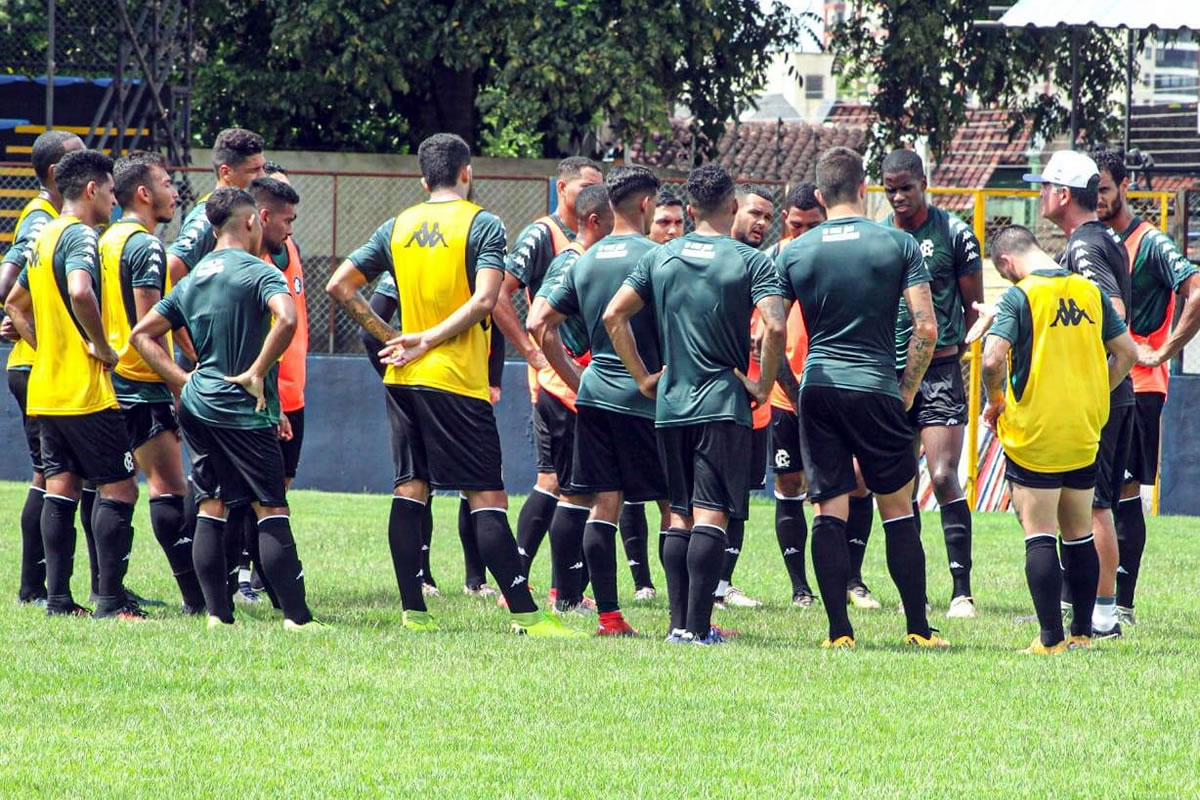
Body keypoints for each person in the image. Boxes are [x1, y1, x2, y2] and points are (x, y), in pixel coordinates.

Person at [326, 132, 576, 636]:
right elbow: (487, 300)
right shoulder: (482, 223)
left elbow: (339, 286)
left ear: (424, 179)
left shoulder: (398, 225)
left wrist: (391, 336)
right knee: (487, 496)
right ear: (467, 172)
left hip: (403, 380)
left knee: (410, 489)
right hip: (455, 381)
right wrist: (425, 340)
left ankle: (413, 611)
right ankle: (527, 615)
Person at [604, 164, 787, 645]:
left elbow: (612, 315)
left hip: (670, 404)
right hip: (722, 404)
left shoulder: (659, 259)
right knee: (711, 514)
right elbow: (776, 325)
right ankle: (699, 628)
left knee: (679, 513)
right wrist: (762, 385)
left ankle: (677, 627)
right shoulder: (751, 261)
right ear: (731, 207)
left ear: (688, 211)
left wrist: (644, 377)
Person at [776, 146, 947, 649]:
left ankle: (838, 632)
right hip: (875, 387)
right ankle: (917, 629)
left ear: (821, 195)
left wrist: (793, 388)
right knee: (897, 508)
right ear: (864, 188)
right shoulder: (897, 244)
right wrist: (905, 391)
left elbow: (766, 331)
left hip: (819, 388)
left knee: (828, 509)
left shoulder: (794, 251)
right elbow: (926, 328)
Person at [130, 187, 319, 630]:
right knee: (271, 507)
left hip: (197, 407)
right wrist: (257, 371)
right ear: (251, 222)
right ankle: (298, 619)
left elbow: (141, 334)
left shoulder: (192, 278)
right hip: (242, 410)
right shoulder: (258, 271)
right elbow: (288, 319)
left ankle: (218, 615)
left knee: (212, 505)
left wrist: (183, 380)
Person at [979, 225, 1136, 653]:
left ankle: (1050, 639)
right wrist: (1097, 390)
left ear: (1007, 263)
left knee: (1040, 533)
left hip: (1036, 431)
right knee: (1079, 532)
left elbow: (992, 358)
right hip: (1084, 429)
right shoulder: (1090, 292)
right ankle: (1082, 634)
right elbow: (1128, 353)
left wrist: (995, 401)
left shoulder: (1021, 295)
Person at [4, 149, 143, 620]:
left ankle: (59, 601)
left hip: (45, 389)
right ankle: (110, 603)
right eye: (109, 191)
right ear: (92, 189)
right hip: (84, 393)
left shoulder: (43, 238)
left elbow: (15, 304)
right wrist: (100, 346)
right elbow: (82, 290)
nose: (112, 200)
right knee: (121, 488)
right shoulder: (81, 235)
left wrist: (48, 347)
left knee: (60, 487)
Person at [530, 169, 670, 636]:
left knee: (601, 504)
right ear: (646, 205)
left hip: (594, 400)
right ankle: (686, 621)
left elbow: (538, 322)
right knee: (677, 507)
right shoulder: (660, 257)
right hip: (648, 402)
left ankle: (609, 617)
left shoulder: (583, 260)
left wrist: (576, 378)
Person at [1025, 150, 1132, 639]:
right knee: (1088, 507)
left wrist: (1093, 390)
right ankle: (1081, 608)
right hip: (1109, 391)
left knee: (1095, 507)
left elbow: (1109, 312)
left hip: (1105, 392)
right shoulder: (1101, 236)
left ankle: (1102, 616)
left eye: (1044, 187)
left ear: (1063, 194)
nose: (1040, 195)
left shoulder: (1086, 247)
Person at [1095, 150, 1200, 627]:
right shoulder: (1092, 241)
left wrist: (1164, 351)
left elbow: (1194, 289)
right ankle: (1080, 598)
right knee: (1087, 492)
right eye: (1091, 190)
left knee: (1125, 492)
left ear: (1123, 187)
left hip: (1139, 387)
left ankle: (1123, 604)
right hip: (1096, 383)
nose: (1097, 198)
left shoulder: (1151, 243)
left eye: (1104, 189)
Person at [97, 151, 205, 613]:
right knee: (167, 487)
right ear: (143, 193)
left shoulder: (105, 240)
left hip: (107, 381)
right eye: (165, 183)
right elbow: (146, 329)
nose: (174, 191)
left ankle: (110, 595)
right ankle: (192, 598)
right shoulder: (145, 246)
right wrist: (182, 383)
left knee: (113, 487)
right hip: (140, 385)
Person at [492, 157, 603, 586]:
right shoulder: (544, 234)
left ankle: (561, 586)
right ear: (561, 188)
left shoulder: (593, 238)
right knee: (554, 480)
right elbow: (501, 294)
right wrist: (533, 353)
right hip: (558, 383)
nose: (594, 196)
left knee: (574, 485)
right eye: (585, 188)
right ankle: (517, 581)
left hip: (583, 381)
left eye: (599, 188)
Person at [883, 149, 983, 619]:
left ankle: (961, 590)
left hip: (941, 370)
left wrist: (950, 352)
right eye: (890, 188)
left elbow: (974, 309)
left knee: (943, 476)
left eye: (906, 186)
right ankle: (915, 592)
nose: (899, 196)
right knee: (898, 483)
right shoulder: (881, 237)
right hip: (891, 374)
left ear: (925, 182)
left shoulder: (955, 233)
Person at [527, 182, 632, 628]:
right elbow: (538, 322)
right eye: (614, 221)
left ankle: (566, 592)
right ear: (595, 222)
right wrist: (578, 378)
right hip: (568, 395)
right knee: (570, 491)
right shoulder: (572, 262)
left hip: (579, 393)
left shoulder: (585, 261)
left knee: (580, 491)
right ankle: (563, 592)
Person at [361, 273, 503, 599]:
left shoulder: (470, 257)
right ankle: (440, 578)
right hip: (450, 385)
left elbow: (489, 316)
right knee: (447, 485)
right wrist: (395, 369)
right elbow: (369, 330)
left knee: (432, 484)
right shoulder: (409, 258)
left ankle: (463, 579)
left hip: (447, 385)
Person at [0, 129, 84, 606]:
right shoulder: (42, 218)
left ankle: (63, 586)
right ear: (56, 174)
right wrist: (32, 328)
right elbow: (9, 285)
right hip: (36, 368)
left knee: (60, 476)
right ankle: (35, 588)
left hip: (37, 365)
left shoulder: (55, 218)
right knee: (49, 476)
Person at [615, 182, 686, 594]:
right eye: (663, 221)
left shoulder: (680, 266)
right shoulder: (639, 265)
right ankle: (642, 583)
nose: (672, 229)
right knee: (627, 495)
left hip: (672, 396)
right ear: (648, 220)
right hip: (633, 395)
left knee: (671, 498)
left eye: (679, 221)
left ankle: (678, 587)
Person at [716, 182, 779, 610]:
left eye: (767, 219)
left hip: (755, 403)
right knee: (706, 499)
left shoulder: (764, 266)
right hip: (713, 399)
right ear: (734, 208)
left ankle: (722, 584)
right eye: (755, 213)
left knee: (739, 501)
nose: (761, 223)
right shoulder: (714, 257)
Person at [767, 182, 823, 607]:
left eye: (813, 225)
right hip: (787, 394)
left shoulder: (835, 256)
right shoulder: (772, 261)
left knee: (844, 484)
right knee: (790, 482)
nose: (803, 233)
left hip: (832, 388)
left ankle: (849, 580)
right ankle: (799, 586)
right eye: (796, 225)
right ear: (785, 219)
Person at [166, 128, 266, 283]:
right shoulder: (207, 217)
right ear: (226, 172)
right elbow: (171, 268)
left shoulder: (242, 213)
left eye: (263, 168)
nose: (262, 177)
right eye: (253, 170)